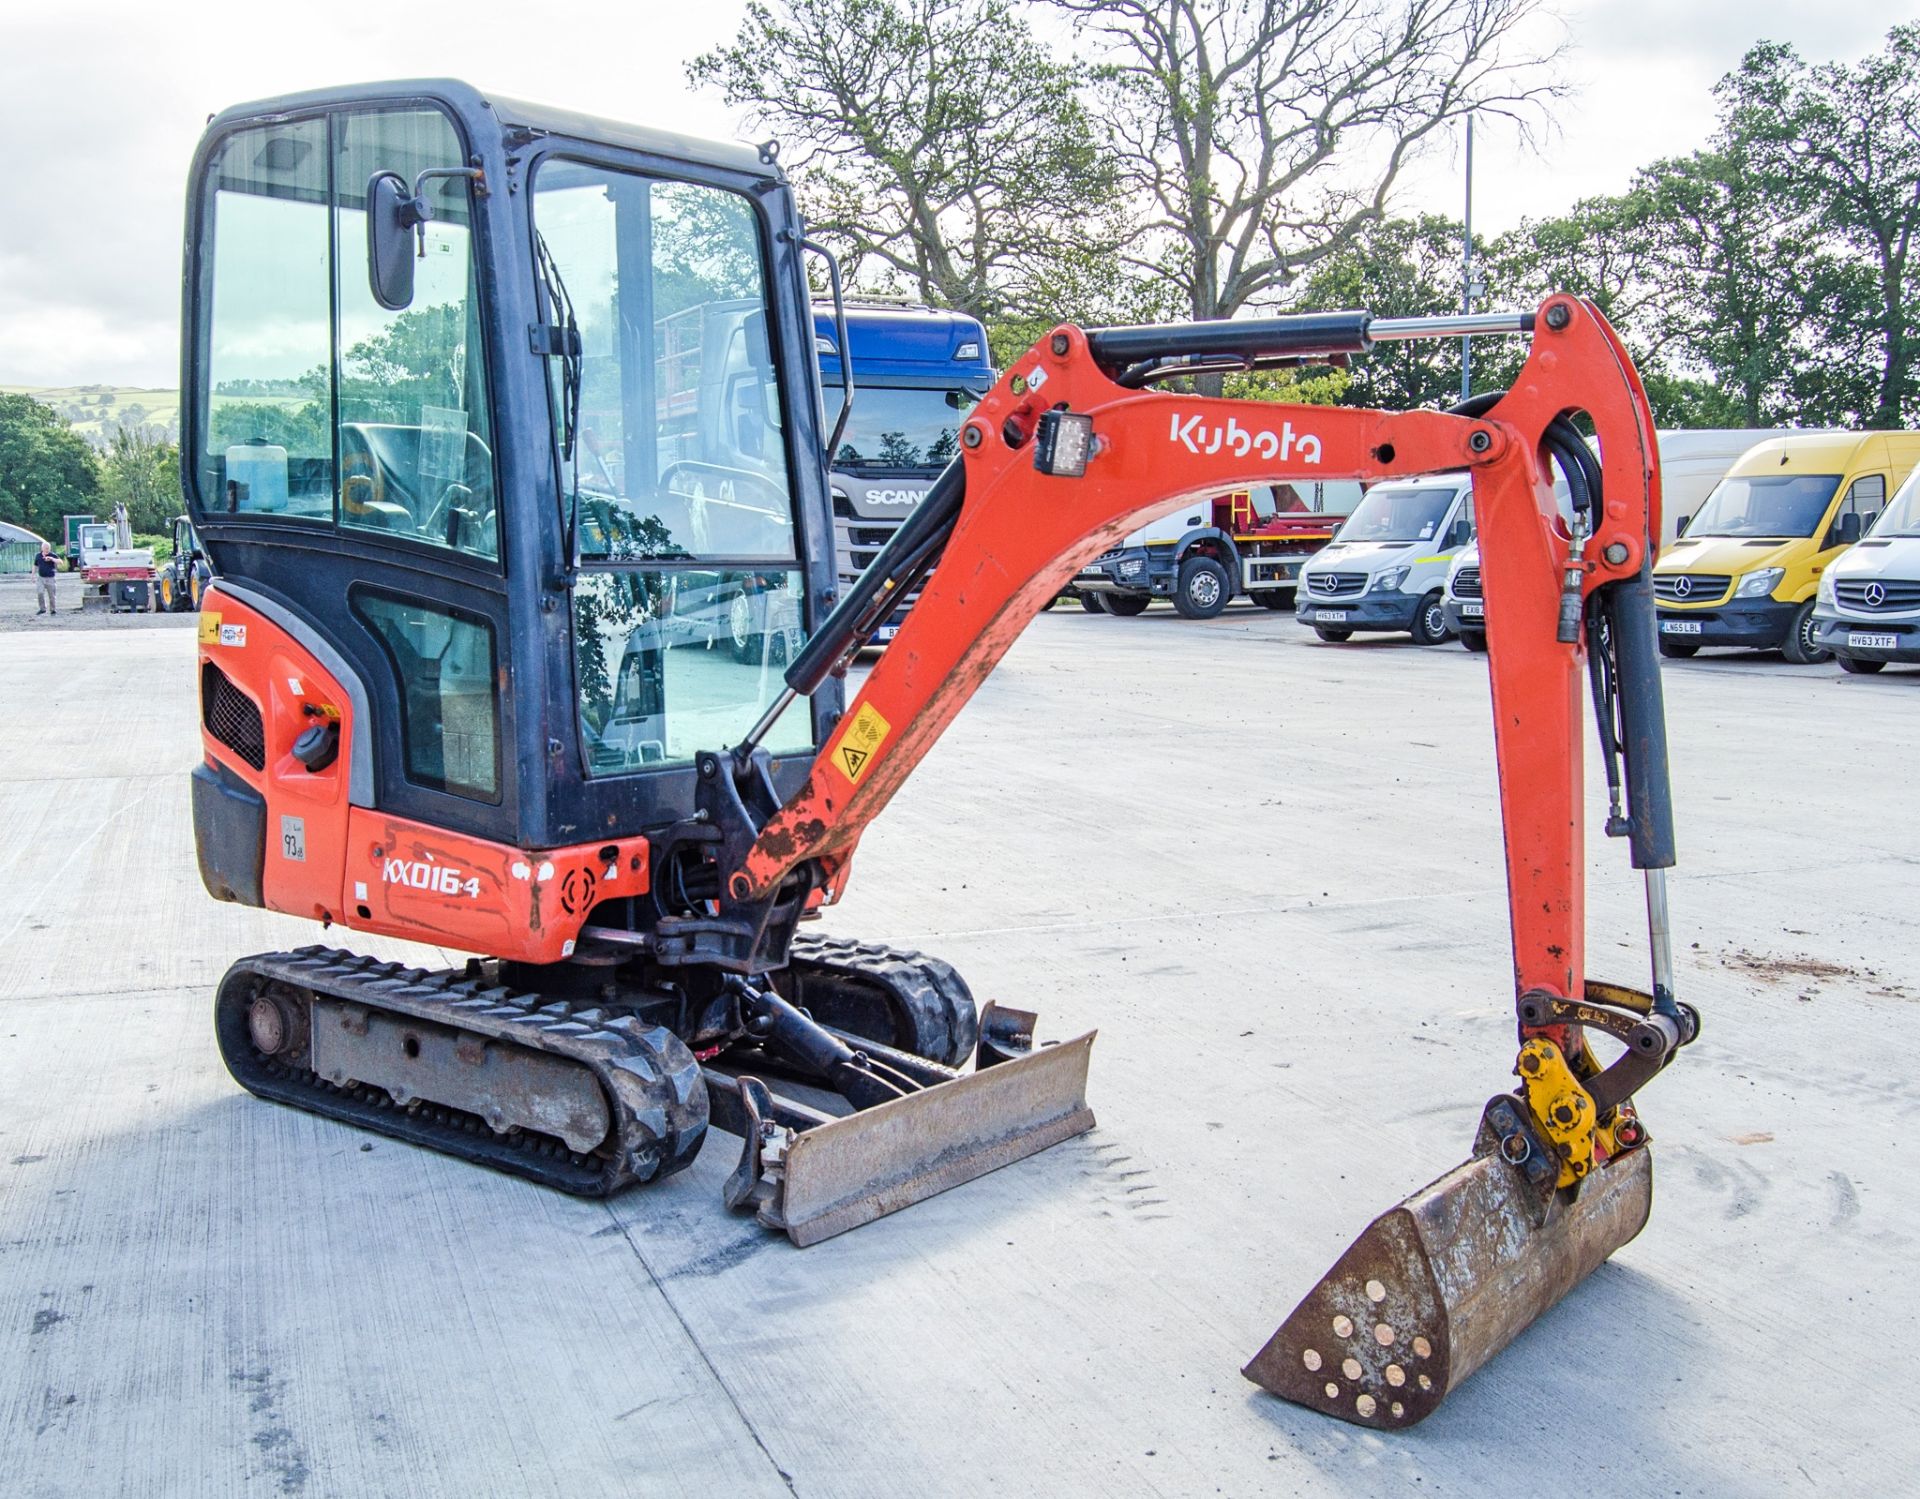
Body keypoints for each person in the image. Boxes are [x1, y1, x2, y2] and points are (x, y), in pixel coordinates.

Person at [33, 542, 59, 615]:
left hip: (50, 578)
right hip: (41, 578)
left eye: (48, 548)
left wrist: (52, 559)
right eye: (46, 548)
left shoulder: (53, 555)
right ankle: (42, 609)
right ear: (42, 548)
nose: (47, 549)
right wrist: (33, 575)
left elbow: (60, 562)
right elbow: (35, 565)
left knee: (52, 595)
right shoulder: (38, 556)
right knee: (40, 593)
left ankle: (53, 609)